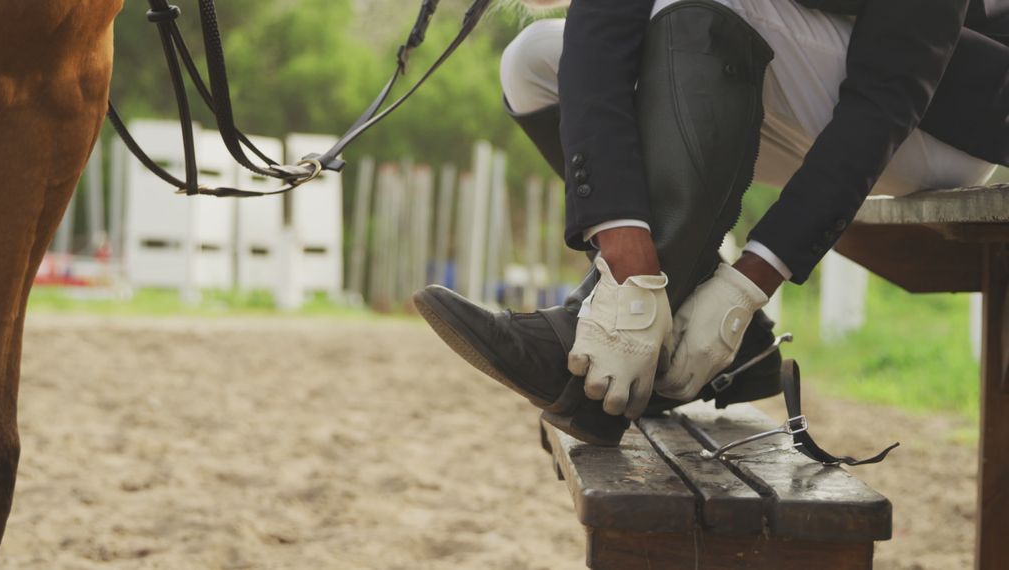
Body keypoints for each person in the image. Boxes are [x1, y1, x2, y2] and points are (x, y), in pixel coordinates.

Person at [415, 0, 1009, 446]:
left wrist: (748, 284)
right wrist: (625, 250)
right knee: (533, 60)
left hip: (938, 119)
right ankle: (702, 326)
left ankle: (583, 362)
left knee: (702, 1)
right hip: (791, 85)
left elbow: (888, 93)